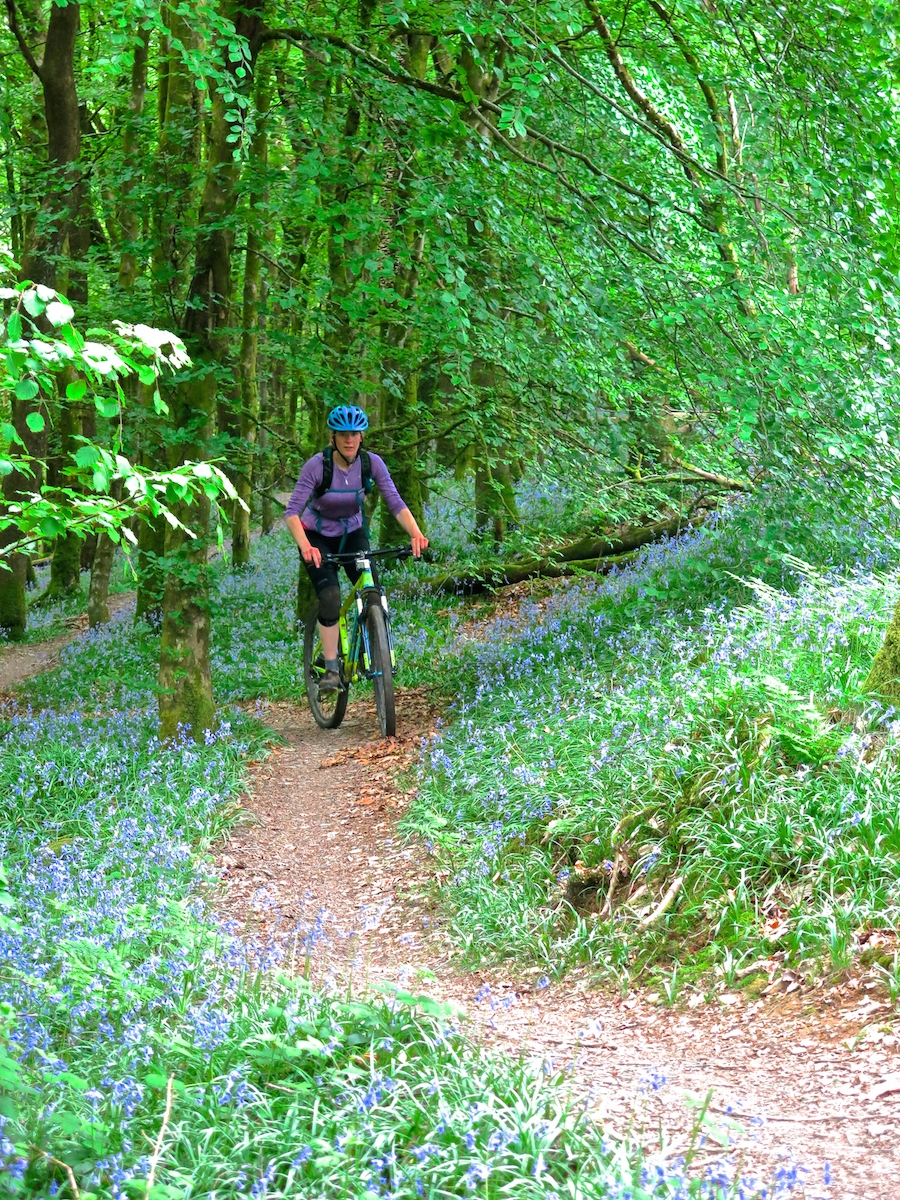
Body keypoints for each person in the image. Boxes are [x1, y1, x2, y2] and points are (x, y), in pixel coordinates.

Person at [285, 405, 428, 693]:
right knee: (331, 597)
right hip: (318, 537)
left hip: (352, 533)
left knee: (372, 592)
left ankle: (376, 654)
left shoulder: (371, 464)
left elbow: (395, 502)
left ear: (361, 436)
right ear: (333, 438)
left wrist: (415, 533)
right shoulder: (317, 466)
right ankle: (331, 668)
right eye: (342, 435)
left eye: (354, 434)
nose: (349, 440)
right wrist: (306, 548)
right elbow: (291, 513)